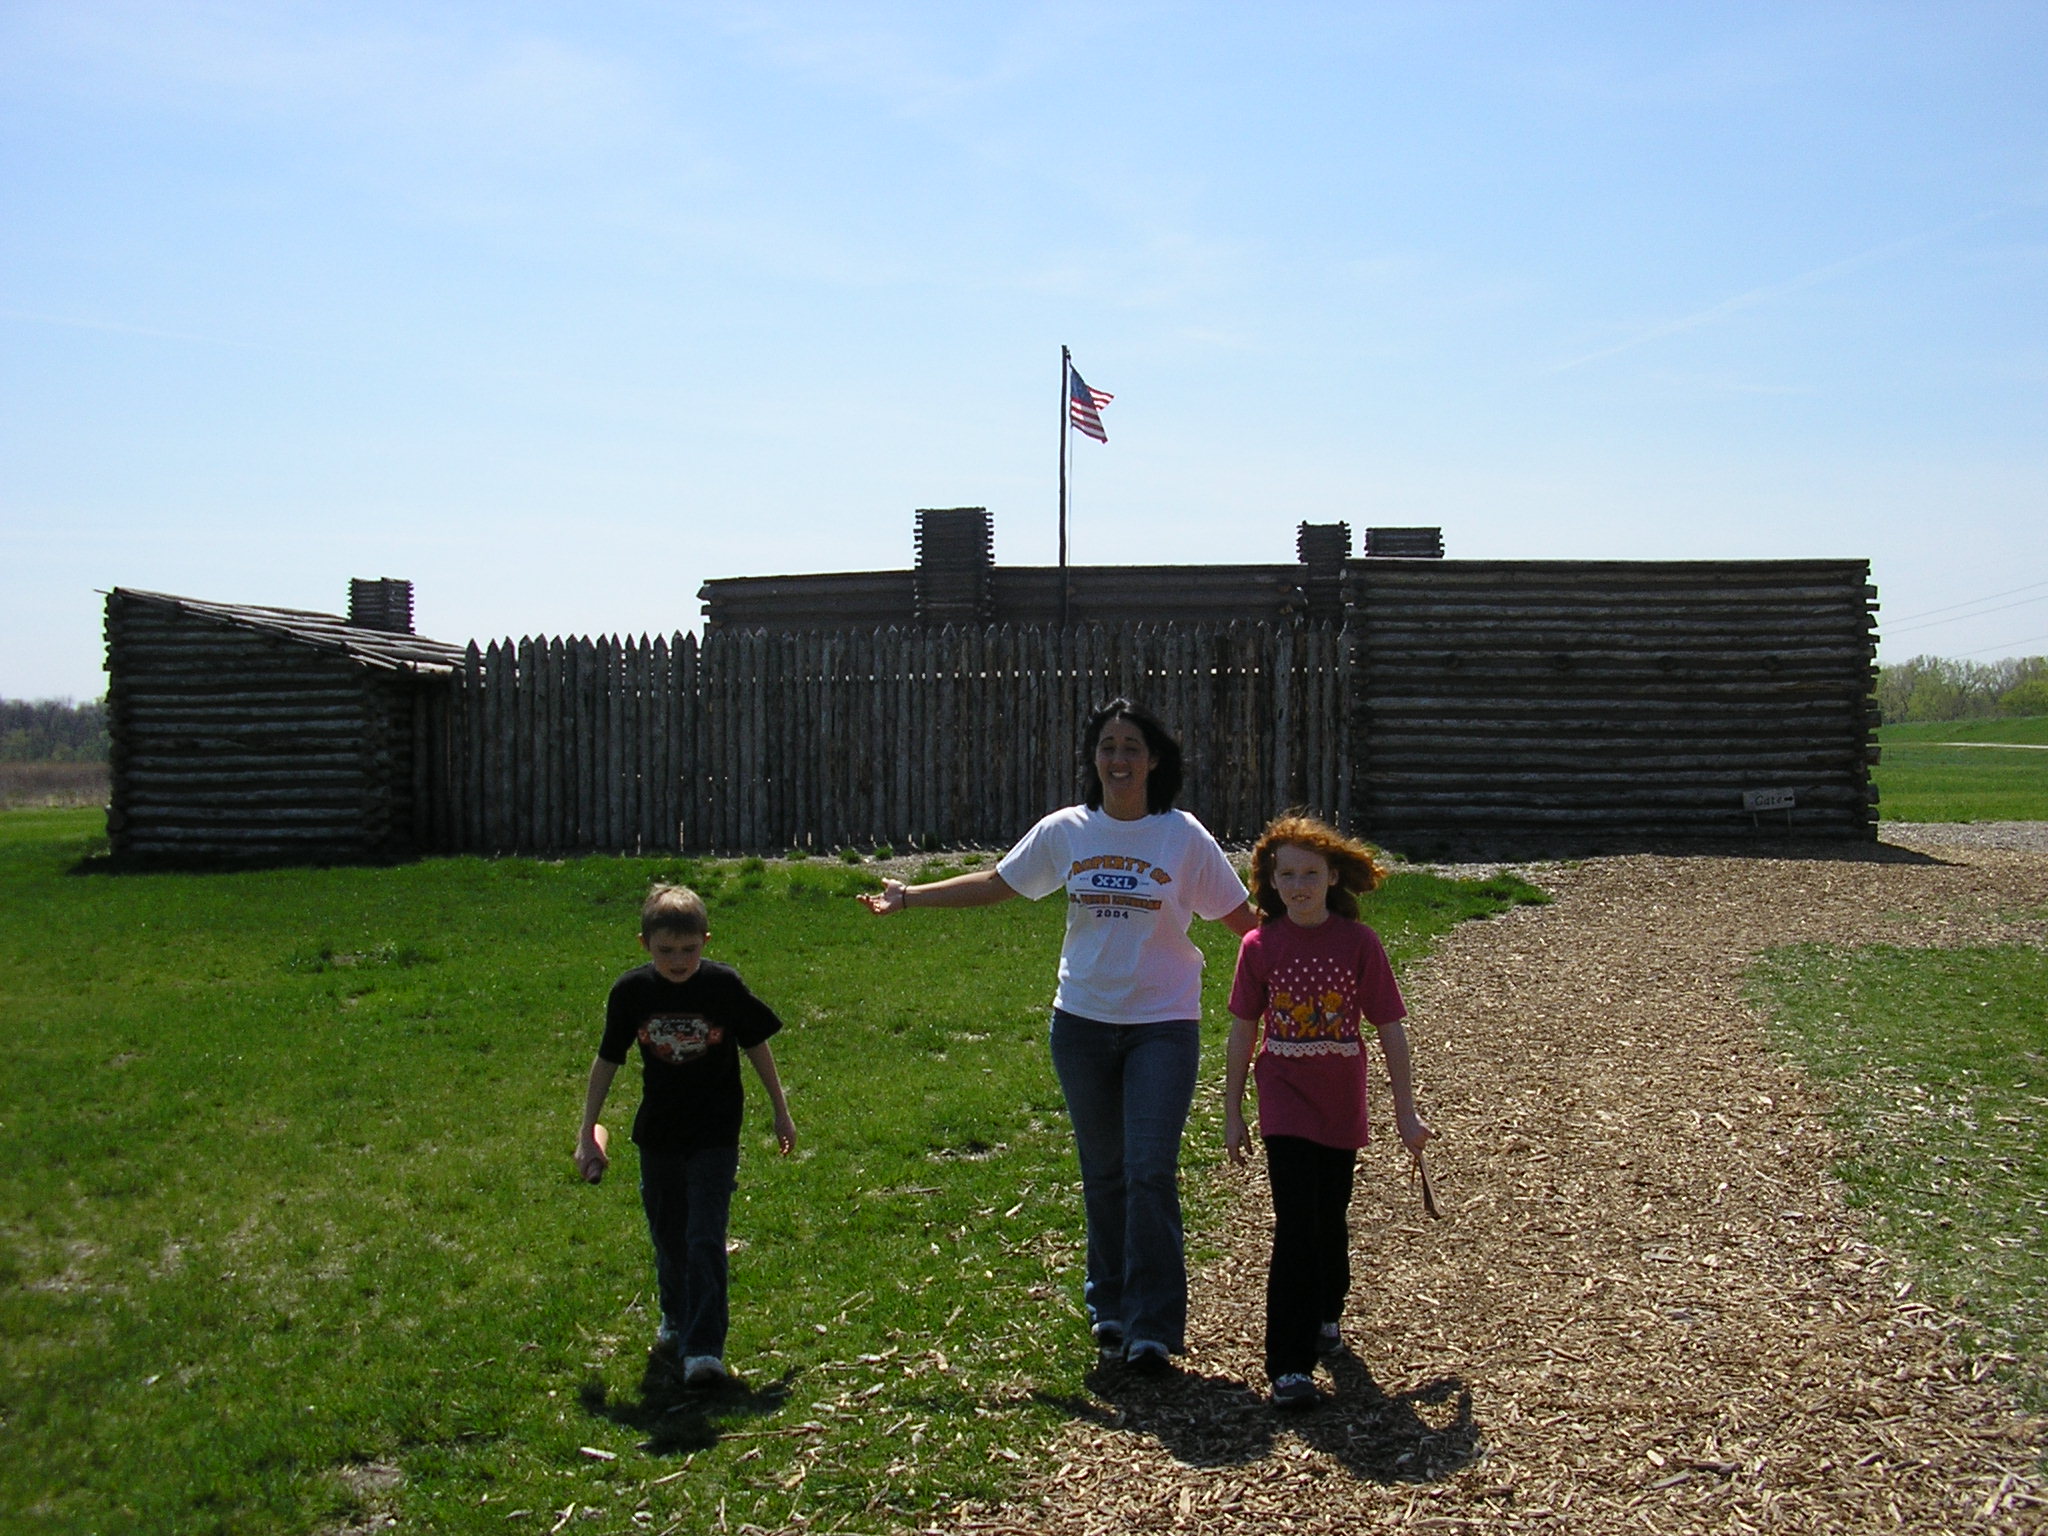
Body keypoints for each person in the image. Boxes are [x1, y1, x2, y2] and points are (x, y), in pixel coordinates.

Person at [862, 698, 1256, 1374]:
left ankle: (1153, 1326)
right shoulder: (1066, 831)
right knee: (1103, 1173)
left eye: (1132, 745)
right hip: (1080, 1024)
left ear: (1154, 758)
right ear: (1093, 757)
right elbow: (997, 883)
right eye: (1107, 745)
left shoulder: (1182, 836)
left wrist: (1305, 973)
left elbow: (1243, 922)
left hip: (1162, 1024)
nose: (1119, 758)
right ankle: (1109, 1306)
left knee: (1150, 1172)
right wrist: (912, 897)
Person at [1223, 814, 1432, 1409]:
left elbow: (1390, 1028)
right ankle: (1288, 1366)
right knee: (1295, 1223)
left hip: (1340, 1102)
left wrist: (1406, 1111)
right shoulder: (1258, 946)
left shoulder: (1358, 944)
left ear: (1332, 876)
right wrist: (1233, 1109)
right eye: (1285, 873)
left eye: (1310, 873)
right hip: (1283, 1099)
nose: (1298, 885)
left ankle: (1326, 1312)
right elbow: (1243, 1031)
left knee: (1329, 1216)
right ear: (1270, 881)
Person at [575, 883, 797, 1387]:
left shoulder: (723, 986)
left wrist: (780, 1112)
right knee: (669, 1237)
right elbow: (607, 1059)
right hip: (658, 1135)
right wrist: (587, 1129)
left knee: (703, 1238)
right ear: (644, 945)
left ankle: (703, 1351)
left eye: (689, 949)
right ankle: (674, 1317)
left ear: (706, 940)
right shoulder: (631, 993)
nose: (678, 961)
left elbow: (757, 1046)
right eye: (665, 950)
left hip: (716, 1133)